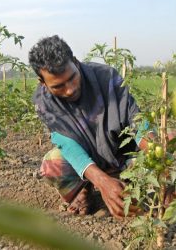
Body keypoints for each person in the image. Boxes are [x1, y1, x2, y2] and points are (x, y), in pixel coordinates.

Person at [29, 35, 148, 218]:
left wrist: (157, 154)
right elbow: (67, 145)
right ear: (42, 83)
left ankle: (125, 181)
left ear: (76, 62)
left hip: (124, 155)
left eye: (72, 78)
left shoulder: (107, 76)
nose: (69, 89)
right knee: (51, 165)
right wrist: (102, 181)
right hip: (86, 160)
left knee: (161, 141)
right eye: (58, 86)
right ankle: (83, 191)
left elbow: (137, 119)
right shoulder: (43, 103)